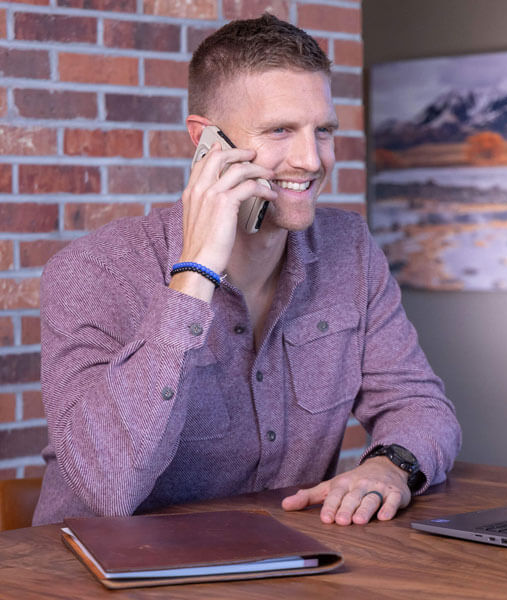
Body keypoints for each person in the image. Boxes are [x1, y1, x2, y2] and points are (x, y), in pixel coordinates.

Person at [33, 14, 461, 527]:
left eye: (322, 130)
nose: (310, 159)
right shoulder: (91, 271)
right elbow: (109, 486)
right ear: (205, 141)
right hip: (107, 574)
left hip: (286, 563)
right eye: (280, 130)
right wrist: (193, 277)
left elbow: (418, 404)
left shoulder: (351, 250)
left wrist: (392, 467)